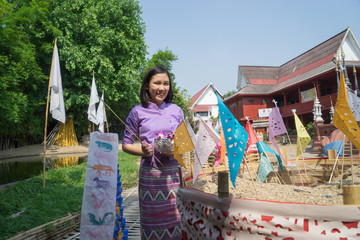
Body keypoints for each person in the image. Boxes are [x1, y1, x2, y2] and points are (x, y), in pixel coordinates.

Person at [122, 66, 184, 240]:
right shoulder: (137, 112)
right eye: (157, 83)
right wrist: (143, 151)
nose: (162, 88)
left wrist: (177, 146)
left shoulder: (177, 111)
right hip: (151, 178)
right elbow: (126, 145)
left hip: (174, 175)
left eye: (166, 84)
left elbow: (184, 143)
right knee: (152, 225)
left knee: (177, 221)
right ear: (147, 86)